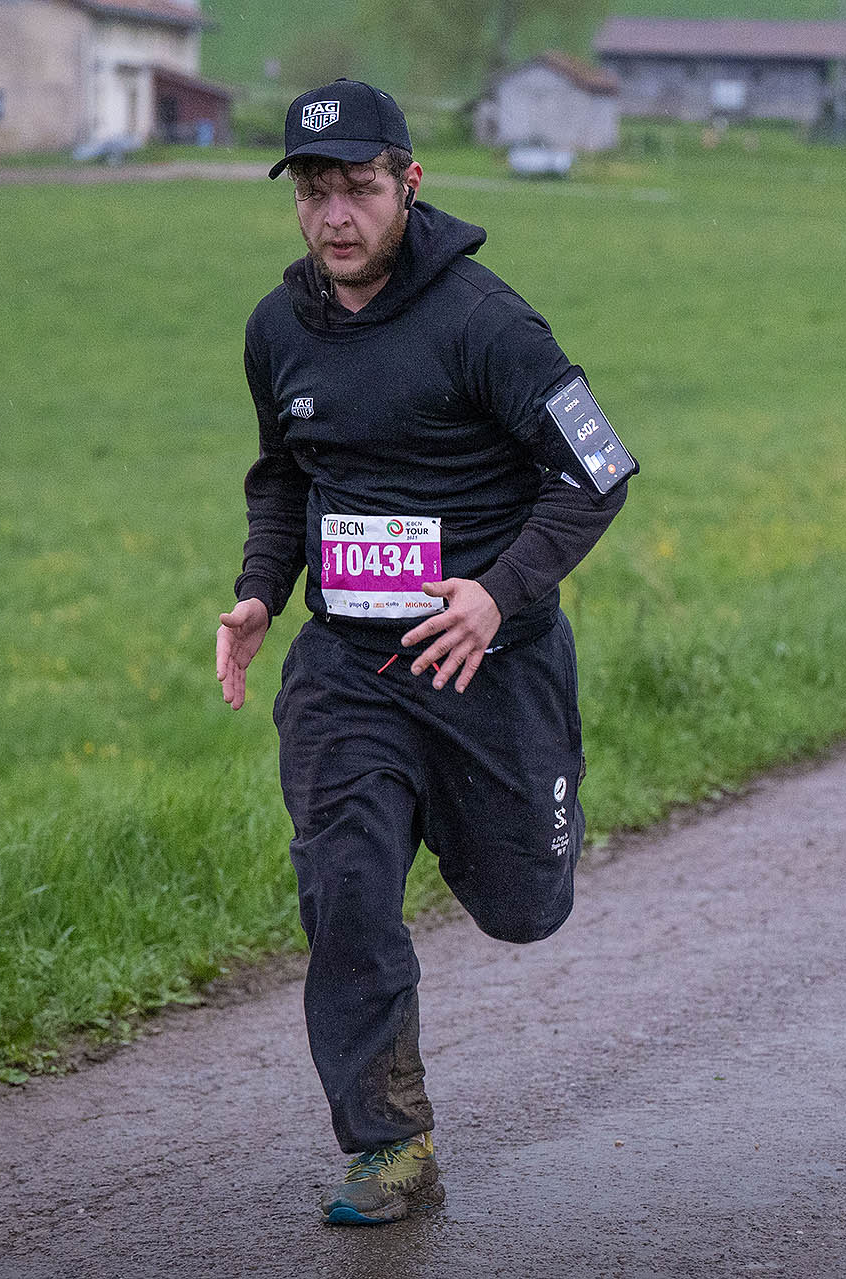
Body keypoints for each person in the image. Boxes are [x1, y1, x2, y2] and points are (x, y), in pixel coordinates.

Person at [216, 78, 637, 1223]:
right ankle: (389, 1142)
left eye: (357, 188)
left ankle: (492, 820)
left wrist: (497, 595)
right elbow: (283, 478)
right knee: (345, 889)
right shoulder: (276, 330)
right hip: (350, 669)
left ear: (409, 182)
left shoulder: (486, 323)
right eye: (314, 192)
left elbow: (599, 471)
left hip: (492, 665)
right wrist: (260, 592)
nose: (335, 215)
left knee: (521, 904)